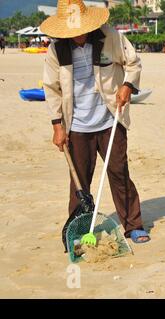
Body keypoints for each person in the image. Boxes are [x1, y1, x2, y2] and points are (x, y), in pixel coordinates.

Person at [41, 0, 150, 243]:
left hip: (111, 119)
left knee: (119, 172)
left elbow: (133, 63)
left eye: (81, 30)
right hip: (77, 126)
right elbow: (51, 89)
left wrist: (127, 86)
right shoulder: (56, 50)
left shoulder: (109, 36)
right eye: (73, 32)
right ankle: (79, 230)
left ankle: (133, 224)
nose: (79, 36)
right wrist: (57, 127)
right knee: (79, 182)